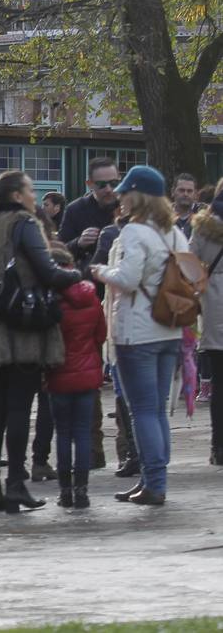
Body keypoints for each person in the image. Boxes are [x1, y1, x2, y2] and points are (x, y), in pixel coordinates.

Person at [0, 170, 82, 513]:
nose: (35, 197)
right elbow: (48, 272)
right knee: (19, 408)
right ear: (17, 196)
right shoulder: (24, 223)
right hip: (20, 329)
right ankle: (16, 483)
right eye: (31, 191)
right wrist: (80, 274)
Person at [90, 165, 189, 506]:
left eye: (124, 191)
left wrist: (101, 271)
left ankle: (154, 484)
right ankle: (152, 480)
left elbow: (128, 279)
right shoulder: (174, 232)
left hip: (137, 333)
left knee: (142, 411)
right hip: (169, 328)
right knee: (157, 410)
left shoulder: (134, 232)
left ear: (138, 195)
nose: (119, 196)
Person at [46, 246, 107, 509]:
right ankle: (82, 490)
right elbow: (101, 334)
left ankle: (65, 492)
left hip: (59, 373)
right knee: (83, 432)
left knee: (63, 433)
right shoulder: (90, 296)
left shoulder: (51, 298)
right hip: (88, 372)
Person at [188, 185, 223, 466]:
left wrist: (202, 284)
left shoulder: (204, 227)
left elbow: (188, 265)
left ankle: (219, 447)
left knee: (219, 383)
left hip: (214, 306)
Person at [58, 156, 121, 267]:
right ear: (89, 184)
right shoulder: (75, 209)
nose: (108, 189)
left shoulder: (129, 206)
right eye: (101, 185)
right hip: (90, 279)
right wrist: (79, 243)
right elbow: (60, 252)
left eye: (114, 183)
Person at [171, 173, 197, 237]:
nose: (186, 194)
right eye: (181, 190)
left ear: (195, 194)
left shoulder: (204, 217)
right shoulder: (163, 215)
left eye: (189, 191)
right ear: (172, 192)